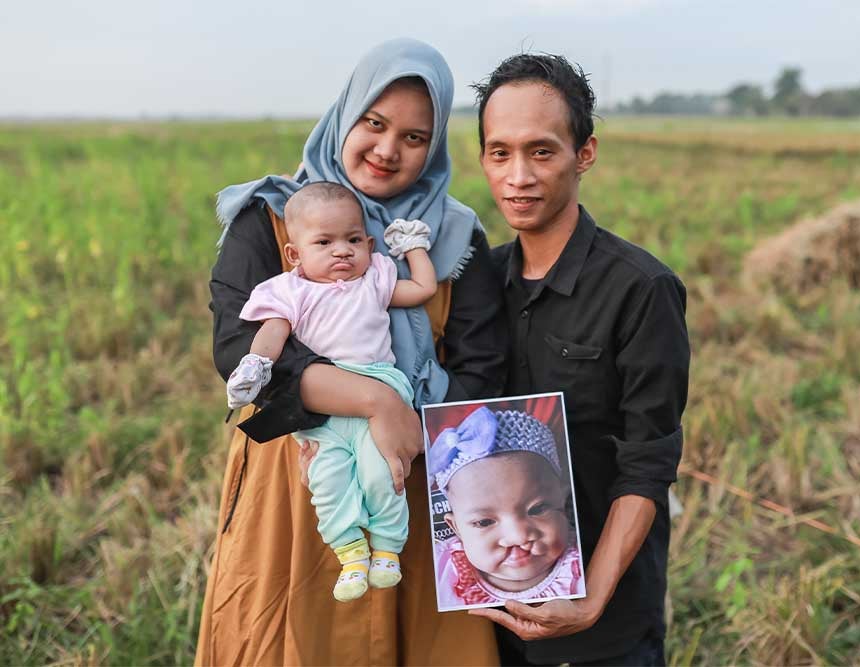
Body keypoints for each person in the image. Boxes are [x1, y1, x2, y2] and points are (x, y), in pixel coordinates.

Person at [196, 38, 506, 666]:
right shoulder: (275, 218)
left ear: (436, 144)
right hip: (295, 476)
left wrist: (406, 430)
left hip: (411, 474)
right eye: (374, 122)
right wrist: (373, 400)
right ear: (346, 114)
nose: (388, 150)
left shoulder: (452, 235)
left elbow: (480, 364)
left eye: (415, 137)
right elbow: (239, 346)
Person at [470, 54, 690, 666]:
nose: (518, 176)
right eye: (499, 153)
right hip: (487, 611)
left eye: (542, 152)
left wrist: (590, 598)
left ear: (584, 153)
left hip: (602, 625)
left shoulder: (641, 289)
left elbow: (649, 459)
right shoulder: (475, 284)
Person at [225, 182, 439, 602]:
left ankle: (387, 548)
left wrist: (413, 247)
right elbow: (273, 332)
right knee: (327, 478)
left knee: (383, 472)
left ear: (369, 244)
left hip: (379, 383)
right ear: (294, 254)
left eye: (353, 240)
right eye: (325, 242)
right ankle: (350, 552)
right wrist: (256, 364)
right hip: (324, 399)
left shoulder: (374, 278)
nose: (342, 250)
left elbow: (423, 290)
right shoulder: (290, 291)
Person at [428, 406, 583, 609]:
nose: (517, 537)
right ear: (456, 527)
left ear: (563, 502)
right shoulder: (442, 571)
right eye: (484, 522)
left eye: (537, 509)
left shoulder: (584, 563)